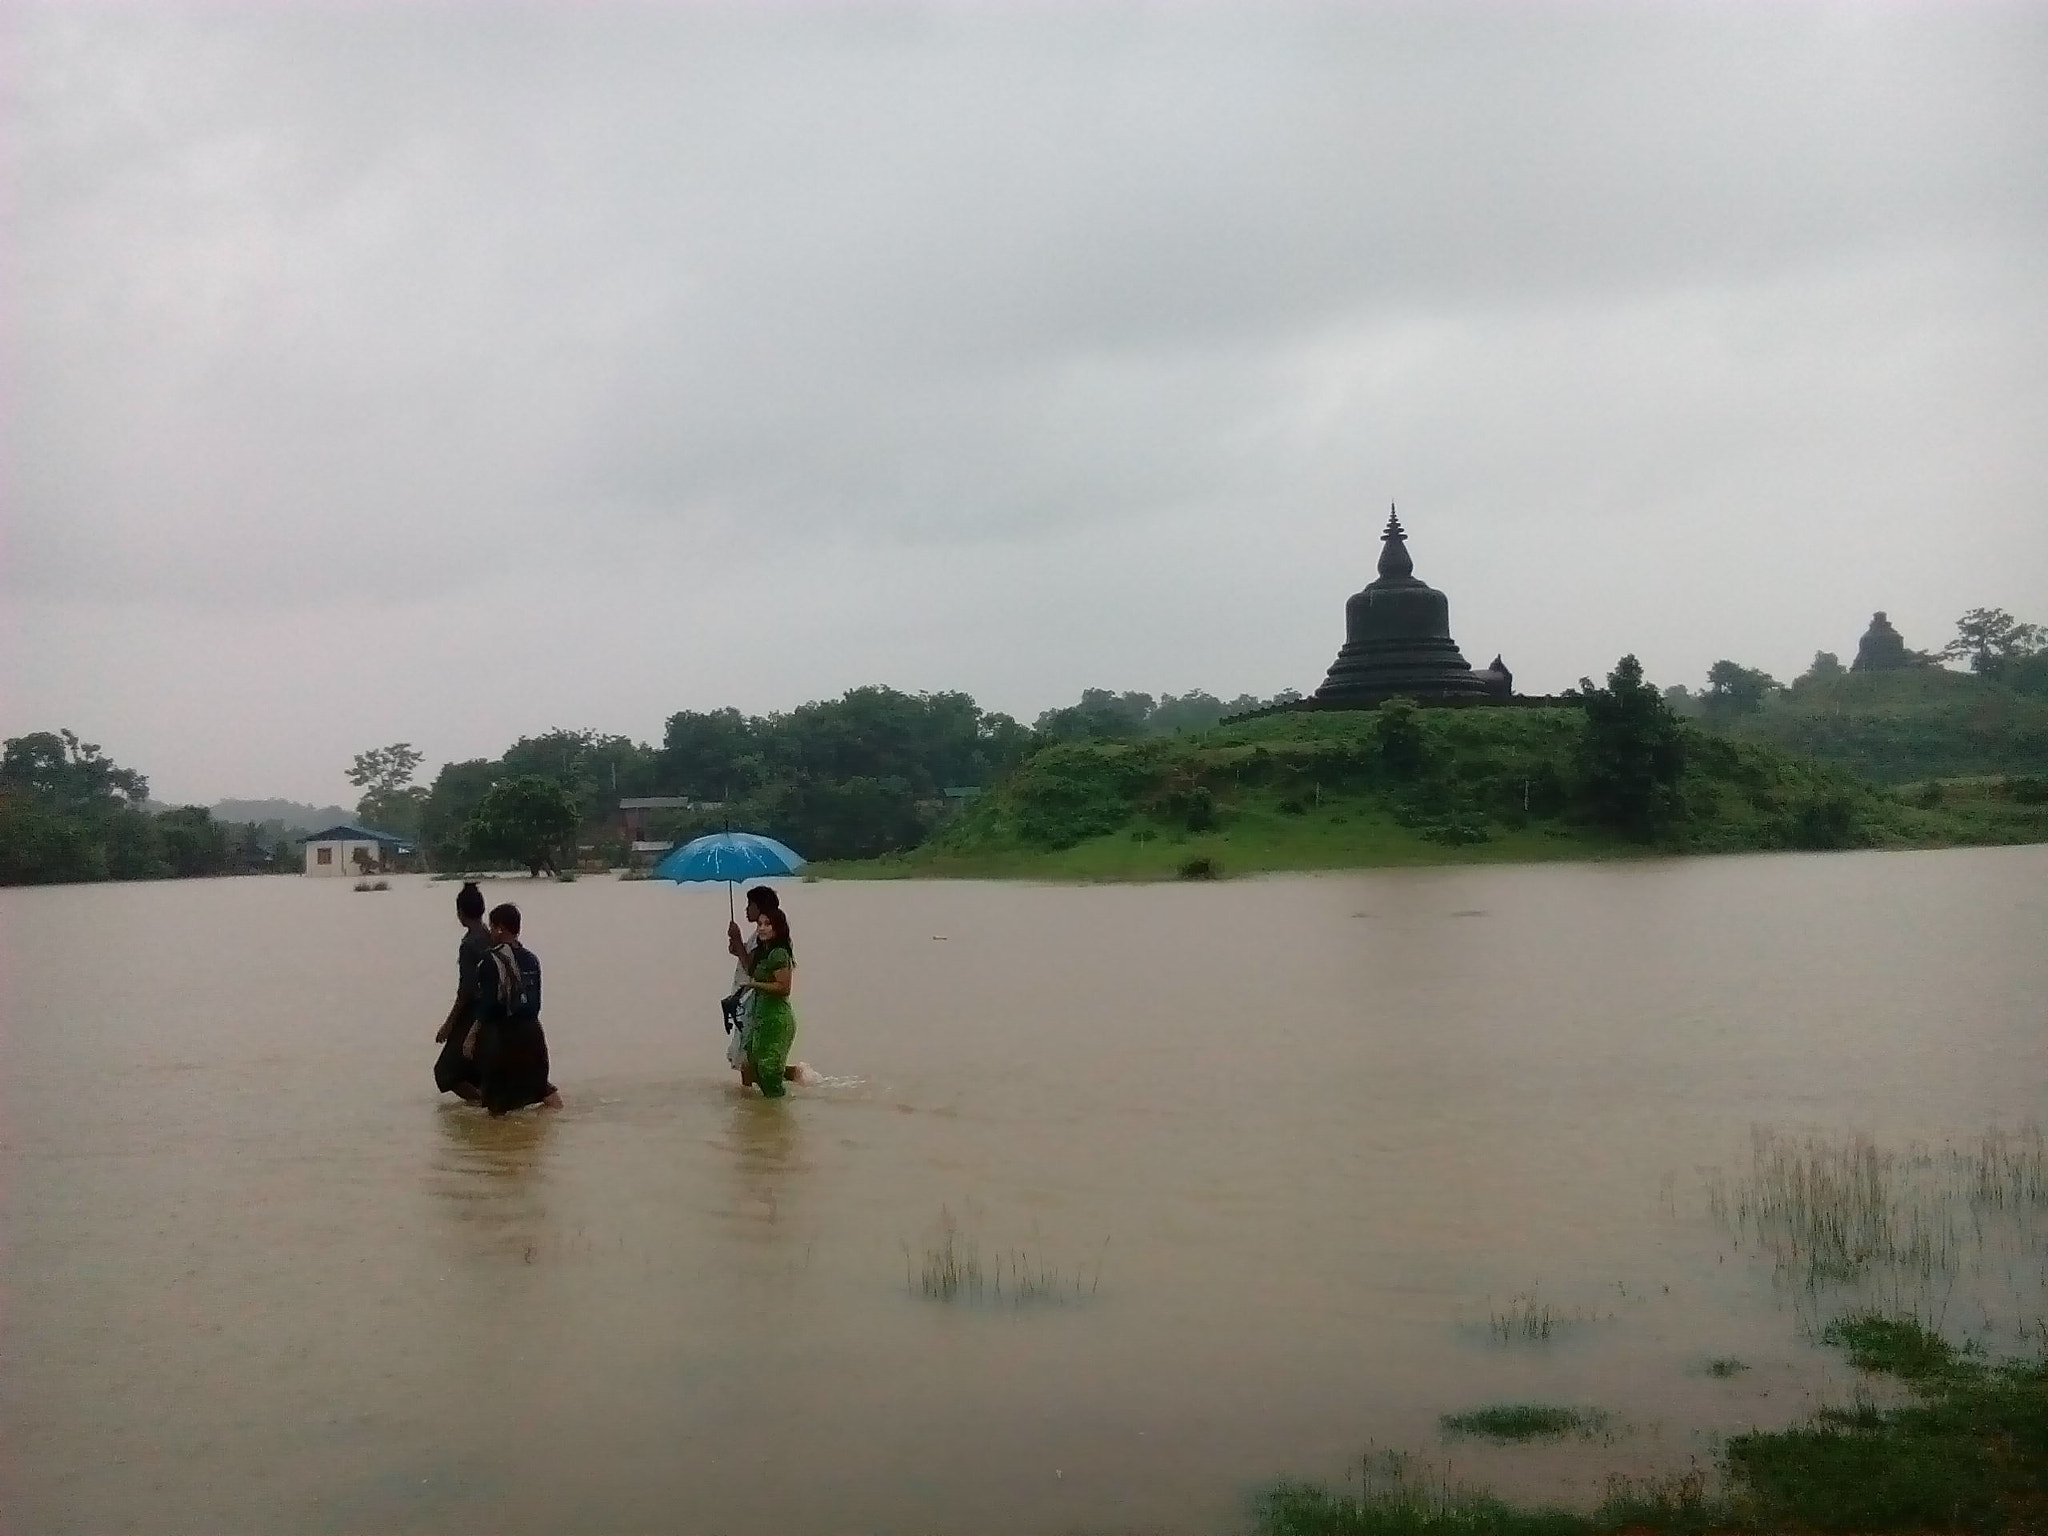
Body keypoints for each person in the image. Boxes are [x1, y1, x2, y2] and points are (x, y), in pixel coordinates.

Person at [465, 902, 562, 1116]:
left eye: (492, 927)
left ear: (500, 928)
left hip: (506, 1036)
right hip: (534, 1032)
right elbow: (536, 1002)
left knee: (496, 1103)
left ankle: (501, 1146)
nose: (490, 932)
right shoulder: (532, 959)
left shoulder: (491, 960)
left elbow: (489, 1003)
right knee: (542, 1089)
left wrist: (472, 1035)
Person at [432, 882, 490, 1102]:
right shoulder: (490, 934)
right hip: (493, 1007)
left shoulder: (468, 944)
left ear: (460, 913)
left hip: (473, 1011)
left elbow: (466, 989)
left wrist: (448, 1024)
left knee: (445, 1072)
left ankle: (482, 1104)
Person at [735, 901, 799, 1098]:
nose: (762, 928)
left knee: (769, 1073)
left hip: (776, 1020)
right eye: (759, 924)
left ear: (777, 927)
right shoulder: (763, 952)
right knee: (751, 1066)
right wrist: (736, 941)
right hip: (760, 1018)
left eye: (767, 924)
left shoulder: (779, 953)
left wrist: (754, 985)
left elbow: (784, 988)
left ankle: (779, 1120)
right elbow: (747, 965)